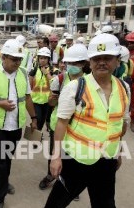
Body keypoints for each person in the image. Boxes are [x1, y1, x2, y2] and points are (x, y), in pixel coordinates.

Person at [45, 33, 130, 208]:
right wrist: (56, 157)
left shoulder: (124, 88)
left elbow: (120, 124)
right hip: (76, 160)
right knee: (56, 204)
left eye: (107, 58)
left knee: (105, 204)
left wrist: (119, 152)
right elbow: (61, 123)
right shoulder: (75, 87)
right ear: (89, 62)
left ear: (117, 60)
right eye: (96, 58)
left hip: (107, 160)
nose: (102, 62)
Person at [0, 39, 38, 208]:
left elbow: (27, 98)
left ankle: (4, 182)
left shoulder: (23, 73)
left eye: (19, 59)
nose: (17, 63)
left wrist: (33, 118)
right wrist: (0, 104)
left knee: (8, 157)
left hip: (16, 126)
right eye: (14, 59)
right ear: (3, 57)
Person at [39, 44, 89, 191]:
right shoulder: (59, 79)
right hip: (58, 124)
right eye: (70, 63)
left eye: (76, 63)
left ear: (84, 64)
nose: (72, 66)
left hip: (79, 126)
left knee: (73, 156)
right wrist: (54, 99)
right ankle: (50, 176)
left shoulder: (89, 81)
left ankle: (71, 182)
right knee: (55, 152)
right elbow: (51, 101)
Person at [29, 47, 53, 133]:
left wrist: (47, 73)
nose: (43, 60)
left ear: (48, 59)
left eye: (45, 58)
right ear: (38, 59)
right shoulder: (34, 70)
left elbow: (54, 84)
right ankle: (35, 139)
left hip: (47, 101)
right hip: (35, 101)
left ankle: (37, 136)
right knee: (37, 119)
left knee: (42, 121)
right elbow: (29, 84)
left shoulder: (52, 70)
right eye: (41, 58)